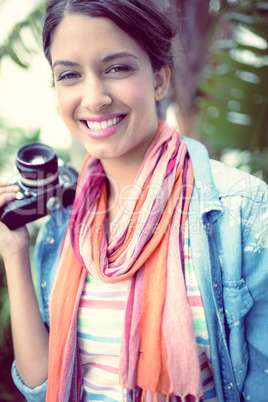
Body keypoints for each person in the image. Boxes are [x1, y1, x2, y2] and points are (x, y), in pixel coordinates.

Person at [0, 0, 267, 401]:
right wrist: (14, 250)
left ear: (159, 80)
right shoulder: (65, 219)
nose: (94, 98)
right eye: (70, 75)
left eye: (117, 68)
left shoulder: (240, 210)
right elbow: (42, 386)